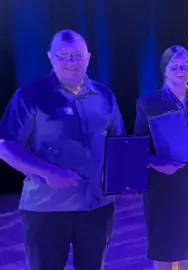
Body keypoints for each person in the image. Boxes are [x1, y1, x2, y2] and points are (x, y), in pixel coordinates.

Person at [0, 30, 125, 270]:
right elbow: (5, 145)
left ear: (88, 57)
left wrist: (126, 180)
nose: (71, 62)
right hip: (47, 208)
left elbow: (119, 143)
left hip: (97, 208)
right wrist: (48, 172)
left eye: (77, 55)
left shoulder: (104, 96)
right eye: (64, 55)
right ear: (50, 57)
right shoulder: (31, 94)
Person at [133, 45, 188, 270]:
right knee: (163, 241)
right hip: (162, 182)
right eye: (175, 66)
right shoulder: (148, 103)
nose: (180, 70)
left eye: (185, 66)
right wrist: (157, 164)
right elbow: (138, 146)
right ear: (165, 70)